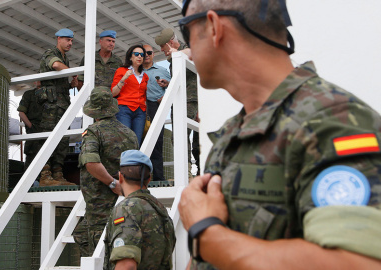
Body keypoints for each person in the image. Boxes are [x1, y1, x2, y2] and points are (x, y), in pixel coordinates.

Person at [178, 0, 381, 269]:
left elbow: (358, 263)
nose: (188, 51)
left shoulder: (332, 120)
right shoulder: (230, 135)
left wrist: (208, 234)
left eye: (186, 32)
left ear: (214, 26)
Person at [74, 86, 138, 257]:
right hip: (122, 200)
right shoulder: (130, 134)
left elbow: (91, 163)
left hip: (99, 203)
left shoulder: (94, 131)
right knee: (80, 234)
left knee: (100, 253)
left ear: (94, 111)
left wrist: (112, 183)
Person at [103, 150, 176, 270]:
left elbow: (127, 265)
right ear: (149, 179)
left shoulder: (126, 208)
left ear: (120, 177)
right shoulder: (160, 209)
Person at [155, 28, 200, 177]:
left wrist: (178, 55)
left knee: (183, 137)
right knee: (181, 137)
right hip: (183, 99)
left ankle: (188, 174)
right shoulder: (173, 59)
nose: (163, 51)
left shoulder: (188, 50)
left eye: (164, 48)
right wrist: (168, 84)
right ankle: (187, 174)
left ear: (170, 43)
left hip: (190, 100)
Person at [38, 28, 78, 185]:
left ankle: (58, 174)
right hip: (50, 106)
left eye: (72, 40)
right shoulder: (51, 53)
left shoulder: (65, 58)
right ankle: (45, 175)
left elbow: (58, 85)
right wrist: (73, 71)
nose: (70, 43)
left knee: (62, 141)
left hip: (62, 105)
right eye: (67, 40)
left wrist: (71, 84)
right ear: (59, 38)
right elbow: (54, 65)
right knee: (48, 138)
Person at [142, 44, 171, 181]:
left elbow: (172, 88)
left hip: (155, 107)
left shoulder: (162, 70)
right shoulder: (134, 70)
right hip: (138, 108)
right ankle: (140, 178)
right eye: (143, 52)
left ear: (153, 54)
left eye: (149, 52)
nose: (146, 55)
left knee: (157, 142)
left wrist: (165, 97)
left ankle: (158, 178)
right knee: (139, 141)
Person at [111, 45, 149, 144]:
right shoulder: (121, 71)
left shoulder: (145, 76)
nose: (139, 56)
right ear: (130, 57)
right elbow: (113, 93)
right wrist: (123, 78)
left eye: (142, 55)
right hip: (124, 109)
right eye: (136, 54)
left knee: (137, 141)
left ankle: (135, 160)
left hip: (140, 112)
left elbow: (144, 96)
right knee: (125, 140)